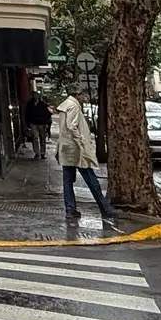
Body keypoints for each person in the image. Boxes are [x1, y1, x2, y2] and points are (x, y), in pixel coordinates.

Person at [53, 91, 117, 225]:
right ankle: (104, 209)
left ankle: (70, 210)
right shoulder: (74, 106)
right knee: (91, 179)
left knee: (68, 181)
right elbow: (72, 126)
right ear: (78, 95)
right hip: (77, 149)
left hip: (66, 148)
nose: (84, 97)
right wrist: (81, 142)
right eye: (82, 95)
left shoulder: (66, 105)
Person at [26, 92, 53, 160]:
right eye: (34, 95)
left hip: (42, 123)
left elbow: (47, 114)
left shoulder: (42, 104)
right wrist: (28, 123)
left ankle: (42, 153)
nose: (35, 96)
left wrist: (47, 123)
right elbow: (27, 113)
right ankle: (37, 152)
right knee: (35, 137)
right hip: (33, 123)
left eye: (36, 95)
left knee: (42, 138)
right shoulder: (30, 104)